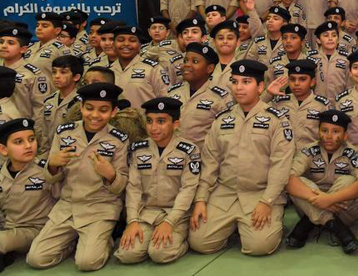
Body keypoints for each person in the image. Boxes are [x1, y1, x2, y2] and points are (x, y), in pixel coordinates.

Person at [189, 60, 294, 257]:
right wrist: (201, 199)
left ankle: (258, 225)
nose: (239, 87)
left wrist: (267, 201)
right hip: (225, 192)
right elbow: (210, 162)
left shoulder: (277, 120)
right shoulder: (222, 119)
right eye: (235, 82)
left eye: (246, 82)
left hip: (259, 193)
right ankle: (235, 225)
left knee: (259, 247)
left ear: (260, 87)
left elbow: (281, 165)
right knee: (199, 243)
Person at [26, 83, 129, 271]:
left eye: (103, 110)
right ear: (81, 107)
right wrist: (53, 165)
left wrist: (111, 174)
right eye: (89, 108)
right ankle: (73, 244)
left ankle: (104, 240)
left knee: (87, 263)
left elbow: (121, 186)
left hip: (100, 207)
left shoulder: (119, 139)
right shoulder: (64, 132)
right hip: (67, 207)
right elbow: (50, 179)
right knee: (36, 259)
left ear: (113, 112)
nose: (95, 115)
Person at [114, 97, 200, 265]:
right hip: (146, 215)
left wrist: (169, 222)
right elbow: (134, 188)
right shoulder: (138, 149)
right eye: (149, 121)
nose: (154, 127)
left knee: (160, 254)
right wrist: (132, 221)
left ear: (175, 124)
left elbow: (188, 189)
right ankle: (148, 240)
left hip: (176, 215)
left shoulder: (188, 150)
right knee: (126, 255)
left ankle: (183, 241)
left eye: (161, 121)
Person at [284, 110, 358, 253]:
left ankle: (307, 224)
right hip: (313, 203)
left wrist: (329, 199)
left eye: (336, 131)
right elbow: (289, 180)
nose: (329, 136)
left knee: (348, 180)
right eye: (324, 130)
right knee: (299, 181)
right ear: (318, 132)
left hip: (343, 210)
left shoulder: (354, 153)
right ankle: (336, 227)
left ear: (345, 135)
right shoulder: (308, 150)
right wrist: (318, 199)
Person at [0, 118, 57, 270]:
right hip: (8, 228)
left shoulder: (46, 171)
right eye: (18, 142)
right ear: (4, 149)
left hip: (35, 230)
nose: (28, 146)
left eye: (31, 139)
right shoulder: (1, 174)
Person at [266, 59, 331, 149]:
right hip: (282, 156)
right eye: (292, 79)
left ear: (312, 82)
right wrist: (268, 94)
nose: (296, 83)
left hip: (310, 158)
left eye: (302, 79)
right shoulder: (279, 103)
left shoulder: (322, 105)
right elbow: (255, 112)